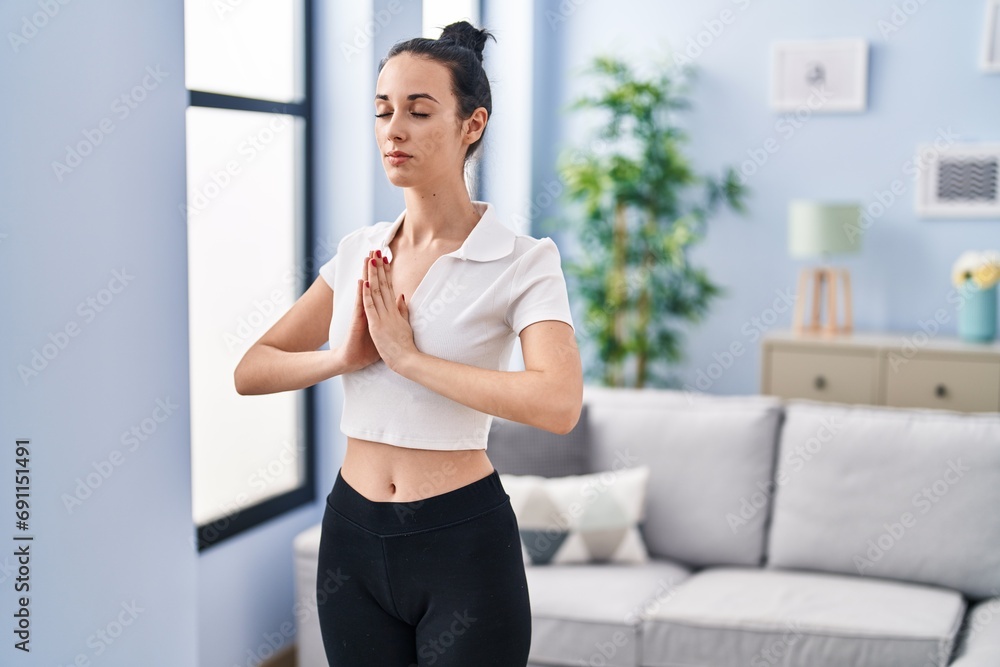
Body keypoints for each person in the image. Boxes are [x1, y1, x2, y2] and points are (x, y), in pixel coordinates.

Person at [234, 20, 583, 666]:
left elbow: (558, 401)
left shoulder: (523, 260)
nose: (393, 129)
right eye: (383, 110)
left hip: (463, 546)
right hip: (352, 541)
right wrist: (343, 358)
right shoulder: (358, 252)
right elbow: (251, 368)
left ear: (471, 125)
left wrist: (410, 359)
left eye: (420, 112)